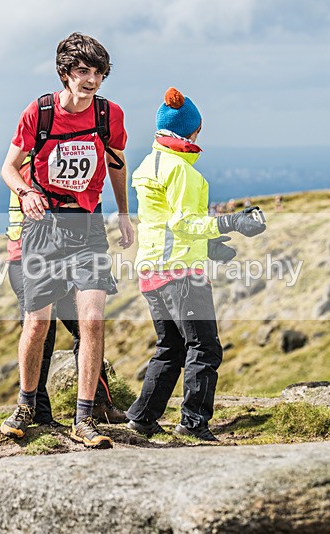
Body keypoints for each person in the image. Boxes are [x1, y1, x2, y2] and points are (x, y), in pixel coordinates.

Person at [0, 32, 133, 449]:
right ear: (65, 73)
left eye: (97, 73)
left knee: (92, 320)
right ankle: (25, 407)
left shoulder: (110, 115)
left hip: (88, 227)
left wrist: (124, 213)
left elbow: (117, 165)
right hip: (41, 228)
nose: (90, 80)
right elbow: (8, 167)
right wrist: (26, 191)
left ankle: (84, 417)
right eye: (82, 72)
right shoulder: (38, 112)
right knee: (37, 322)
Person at [125, 88, 266, 441]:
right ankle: (193, 423)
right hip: (181, 274)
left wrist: (209, 246)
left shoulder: (149, 164)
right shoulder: (183, 171)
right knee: (204, 347)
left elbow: (163, 222)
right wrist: (232, 223)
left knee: (170, 346)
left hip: (153, 271)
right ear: (192, 131)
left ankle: (142, 417)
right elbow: (184, 222)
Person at [5, 184, 127, 426]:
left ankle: (98, 405)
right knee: (41, 328)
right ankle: (37, 413)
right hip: (26, 258)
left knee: (87, 327)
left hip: (62, 255)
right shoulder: (30, 164)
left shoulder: (57, 155)